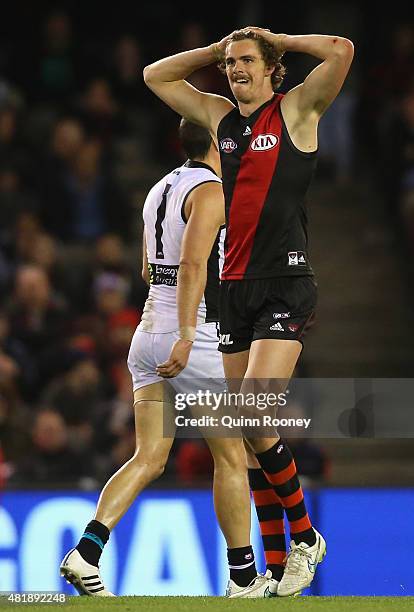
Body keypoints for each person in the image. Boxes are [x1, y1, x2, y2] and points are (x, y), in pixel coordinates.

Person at [144, 27, 354, 596]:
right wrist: (212, 53)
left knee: (257, 416)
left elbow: (341, 50)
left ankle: (305, 536)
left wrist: (280, 37)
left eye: (245, 61)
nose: (235, 69)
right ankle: (279, 560)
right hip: (231, 288)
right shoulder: (220, 119)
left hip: (285, 283)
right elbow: (155, 75)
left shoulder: (297, 110)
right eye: (230, 62)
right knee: (243, 430)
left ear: (270, 68)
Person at [60, 119, 277, 598]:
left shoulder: (159, 187)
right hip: (192, 333)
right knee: (231, 457)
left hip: (147, 331)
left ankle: (87, 551)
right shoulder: (212, 190)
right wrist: (187, 334)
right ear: (220, 144)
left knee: (149, 457)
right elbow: (193, 264)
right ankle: (243, 577)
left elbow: (146, 266)